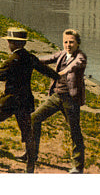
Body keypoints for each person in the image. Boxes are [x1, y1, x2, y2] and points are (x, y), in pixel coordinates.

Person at [0, 27, 59, 172]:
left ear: (12, 43)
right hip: (25, 101)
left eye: (9, 41)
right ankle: (30, 165)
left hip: (10, 101)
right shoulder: (30, 57)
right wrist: (58, 78)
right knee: (27, 132)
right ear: (23, 43)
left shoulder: (12, 60)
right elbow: (45, 69)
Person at [31, 28, 87, 174]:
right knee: (34, 119)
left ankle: (77, 166)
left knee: (74, 131)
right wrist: (30, 59)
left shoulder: (81, 57)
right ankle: (32, 154)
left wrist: (64, 71)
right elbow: (47, 58)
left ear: (78, 43)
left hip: (71, 100)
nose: (68, 45)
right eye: (66, 42)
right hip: (56, 97)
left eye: (71, 42)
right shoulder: (62, 54)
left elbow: (76, 65)